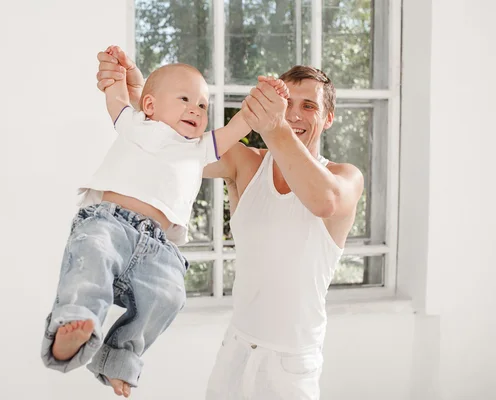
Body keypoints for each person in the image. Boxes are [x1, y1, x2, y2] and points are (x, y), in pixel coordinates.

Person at [97, 51, 364, 399]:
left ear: (328, 118)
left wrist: (274, 124)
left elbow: (323, 201)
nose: (295, 114)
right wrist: (137, 92)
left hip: (293, 364)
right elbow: (171, 144)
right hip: (235, 349)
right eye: (288, 104)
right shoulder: (246, 163)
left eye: (309, 106)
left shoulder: (345, 177)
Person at [41, 46, 289, 398]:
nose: (196, 109)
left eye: (203, 105)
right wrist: (116, 70)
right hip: (108, 223)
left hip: (159, 247)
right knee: (91, 261)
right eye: (185, 98)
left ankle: (117, 359)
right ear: (151, 105)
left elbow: (241, 124)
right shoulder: (136, 123)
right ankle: (74, 324)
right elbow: (115, 93)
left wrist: (264, 98)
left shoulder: (201, 147)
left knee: (169, 296)